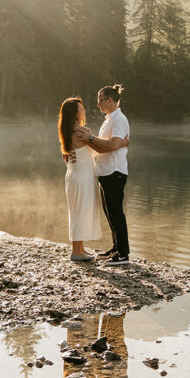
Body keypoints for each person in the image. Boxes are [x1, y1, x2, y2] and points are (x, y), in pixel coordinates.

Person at [76, 84, 131, 266]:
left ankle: (123, 254)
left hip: (115, 172)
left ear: (109, 100)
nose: (98, 104)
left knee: (116, 213)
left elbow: (113, 144)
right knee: (109, 213)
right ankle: (116, 248)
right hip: (105, 171)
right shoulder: (109, 119)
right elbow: (105, 146)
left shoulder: (119, 120)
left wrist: (90, 138)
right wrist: (90, 140)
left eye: (100, 101)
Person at [58, 97, 103, 261]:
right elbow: (100, 148)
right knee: (79, 213)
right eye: (81, 108)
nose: (84, 110)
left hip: (76, 175)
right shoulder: (80, 131)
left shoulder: (68, 130)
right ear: (75, 113)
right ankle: (76, 252)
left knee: (78, 212)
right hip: (81, 177)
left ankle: (80, 249)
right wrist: (120, 143)